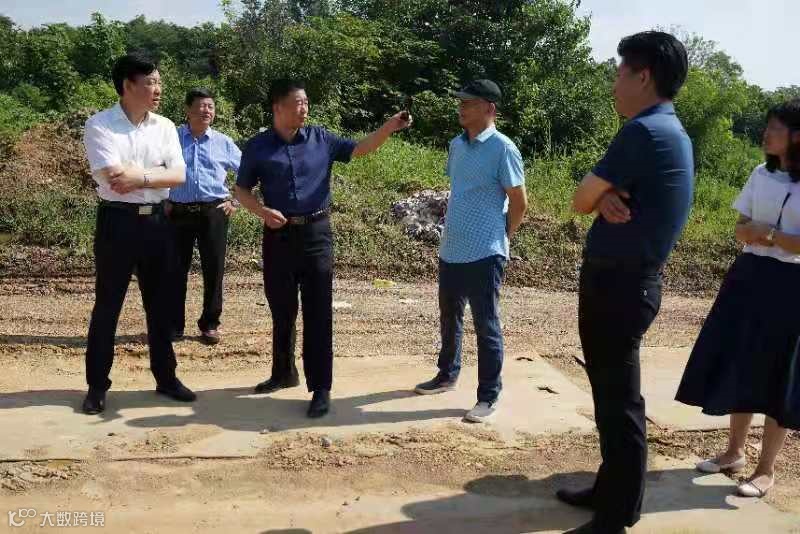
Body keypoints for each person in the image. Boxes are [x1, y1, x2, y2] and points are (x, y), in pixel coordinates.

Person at [558, 32, 693, 534]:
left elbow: (579, 199)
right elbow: (595, 198)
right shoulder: (669, 130)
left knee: (620, 403)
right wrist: (606, 195)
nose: (614, 83)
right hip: (627, 283)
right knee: (611, 398)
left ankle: (616, 515)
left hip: (619, 286)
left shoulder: (643, 131)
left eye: (619, 73)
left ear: (643, 76)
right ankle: (608, 490)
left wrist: (599, 195)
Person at [234, 78, 412, 418]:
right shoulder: (258, 146)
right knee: (282, 307)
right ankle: (283, 372)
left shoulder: (321, 139)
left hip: (316, 234)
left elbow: (360, 148)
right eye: (297, 103)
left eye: (306, 102)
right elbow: (241, 190)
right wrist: (261, 211)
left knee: (318, 311)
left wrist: (389, 127)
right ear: (278, 107)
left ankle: (320, 388)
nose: (304, 109)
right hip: (278, 235)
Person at [676, 98, 800, 499]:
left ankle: (766, 470)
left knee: (779, 373)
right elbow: (741, 229)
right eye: (768, 126)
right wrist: (763, 235)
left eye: (776, 128)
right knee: (741, 360)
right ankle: (734, 452)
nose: (767, 134)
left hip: (792, 284)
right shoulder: (761, 174)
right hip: (749, 275)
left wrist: (769, 235)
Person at [81, 53, 196, 415]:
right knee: (108, 305)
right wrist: (154, 174)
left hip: (158, 223)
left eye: (158, 82)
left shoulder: (165, 126)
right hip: (117, 222)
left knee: (160, 304)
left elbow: (179, 175)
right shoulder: (100, 125)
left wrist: (141, 176)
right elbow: (114, 177)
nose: (158, 89)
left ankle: (166, 377)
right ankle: (97, 386)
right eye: (150, 83)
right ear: (128, 85)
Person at [412, 79, 527, 423]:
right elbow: (461, 191)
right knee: (449, 317)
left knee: (486, 324)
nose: (461, 108)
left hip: (486, 251)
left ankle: (488, 395)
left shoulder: (504, 148)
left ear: (489, 108)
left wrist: (502, 237)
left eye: (469, 102)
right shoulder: (456, 146)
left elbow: (519, 202)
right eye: (460, 102)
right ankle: (447, 375)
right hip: (452, 248)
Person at [168, 88, 241, 345]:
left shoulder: (223, 142)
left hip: (214, 212)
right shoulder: (172, 138)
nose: (206, 111)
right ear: (188, 110)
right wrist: (162, 199)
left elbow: (248, 172)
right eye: (201, 106)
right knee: (175, 270)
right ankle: (173, 325)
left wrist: (236, 201)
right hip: (178, 212)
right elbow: (155, 167)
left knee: (214, 269)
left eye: (210, 106)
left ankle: (210, 324)